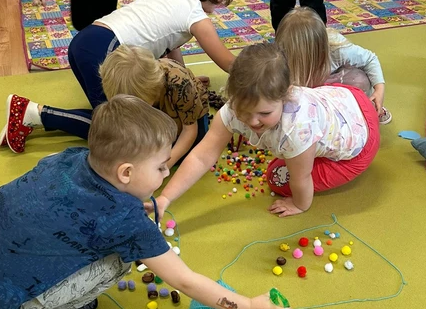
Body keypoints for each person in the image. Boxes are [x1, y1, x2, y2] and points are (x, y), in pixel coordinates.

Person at [0, 97, 291, 309]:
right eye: (161, 166)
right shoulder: (125, 222)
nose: (166, 173)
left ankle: (54, 296)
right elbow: (184, 280)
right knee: (119, 262)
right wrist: (249, 307)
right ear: (125, 173)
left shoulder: (72, 157)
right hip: (0, 293)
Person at [0, 0, 236, 154]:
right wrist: (258, 77)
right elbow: (228, 63)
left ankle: (35, 114)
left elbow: (171, 49)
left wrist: (185, 83)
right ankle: (34, 114)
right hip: (106, 51)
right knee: (119, 130)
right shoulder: (196, 15)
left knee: (111, 116)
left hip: (88, 42)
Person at [153, 44, 380, 220]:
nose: (252, 121)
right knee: (288, 160)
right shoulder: (233, 109)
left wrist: (299, 204)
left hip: (361, 141)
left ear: (286, 95)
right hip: (345, 97)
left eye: (264, 113)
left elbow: (301, 177)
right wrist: (165, 198)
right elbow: (202, 156)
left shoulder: (296, 130)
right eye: (244, 111)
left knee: (276, 178)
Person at [275, 7, 392, 124]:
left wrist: (379, 91)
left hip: (334, 87)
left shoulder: (337, 49)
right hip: (308, 93)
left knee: (359, 80)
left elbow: (370, 59)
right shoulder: (280, 58)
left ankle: (366, 107)